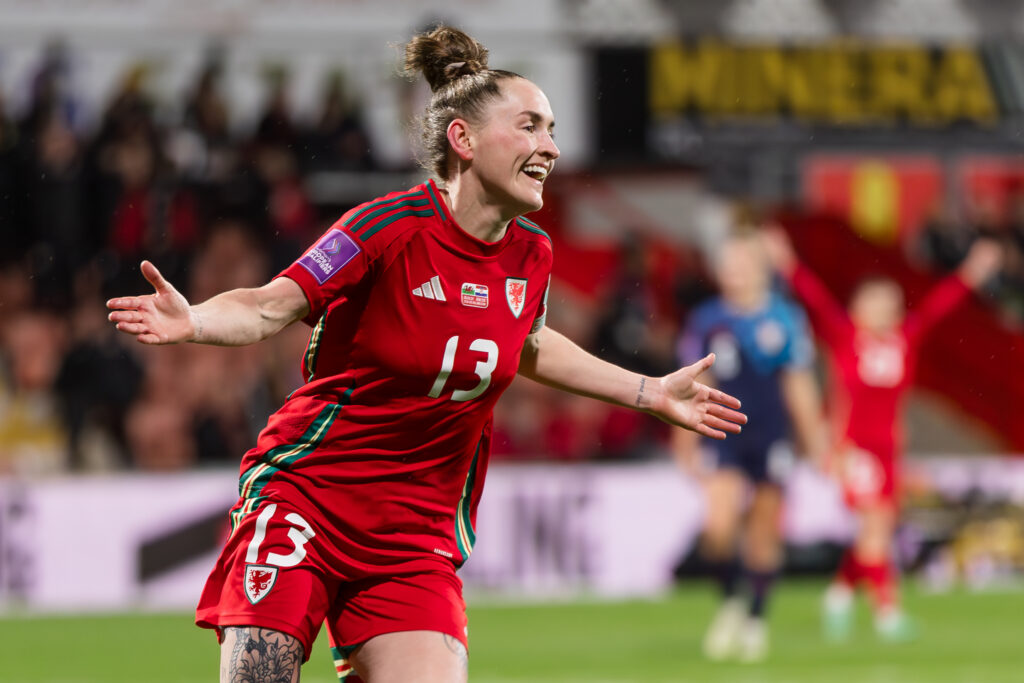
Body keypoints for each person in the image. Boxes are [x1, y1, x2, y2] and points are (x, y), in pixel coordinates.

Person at [107, 25, 747, 683]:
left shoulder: (533, 254)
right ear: (463, 141)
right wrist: (196, 320)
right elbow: (271, 305)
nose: (550, 147)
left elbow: (524, 342)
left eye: (552, 130)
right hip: (309, 498)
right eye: (529, 127)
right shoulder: (384, 228)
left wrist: (651, 390)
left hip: (412, 538)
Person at [763, 228, 1002, 641]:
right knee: (875, 526)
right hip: (855, 449)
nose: (882, 308)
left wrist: (971, 273)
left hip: (890, 449)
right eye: (874, 301)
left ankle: (838, 595)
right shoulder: (846, 338)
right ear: (858, 306)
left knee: (878, 530)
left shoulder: (903, 340)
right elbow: (816, 299)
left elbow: (937, 307)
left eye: (889, 302)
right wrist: (787, 261)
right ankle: (887, 613)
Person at [672, 229, 825, 662]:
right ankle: (732, 602)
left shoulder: (786, 319)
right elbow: (694, 383)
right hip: (724, 432)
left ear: (761, 270)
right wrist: (683, 442)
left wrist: (814, 439)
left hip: (771, 435)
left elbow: (799, 385)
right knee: (719, 530)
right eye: (727, 265)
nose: (732, 273)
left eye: (741, 265)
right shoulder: (706, 320)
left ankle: (756, 619)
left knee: (763, 532)